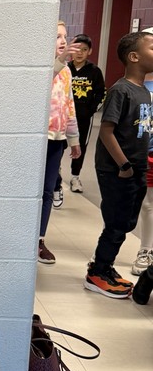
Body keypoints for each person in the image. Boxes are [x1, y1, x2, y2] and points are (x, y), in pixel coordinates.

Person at [85, 30, 153, 298]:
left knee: (125, 223)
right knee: (115, 224)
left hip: (136, 168)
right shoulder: (120, 90)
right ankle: (97, 273)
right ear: (134, 57)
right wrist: (124, 166)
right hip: (118, 170)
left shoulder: (144, 92)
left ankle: (107, 266)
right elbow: (106, 131)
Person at [38, 22, 80, 264]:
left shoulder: (66, 71)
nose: (63, 41)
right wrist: (61, 60)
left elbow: (69, 105)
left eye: (65, 36)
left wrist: (73, 138)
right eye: (57, 36)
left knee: (47, 191)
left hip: (57, 139)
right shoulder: (47, 68)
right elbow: (43, 83)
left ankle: (40, 239)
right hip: (39, 139)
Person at [67, 33, 105, 193]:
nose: (80, 52)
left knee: (80, 146)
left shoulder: (94, 71)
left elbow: (101, 93)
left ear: (89, 51)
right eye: (76, 49)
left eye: (84, 49)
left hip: (83, 118)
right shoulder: (65, 68)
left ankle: (75, 176)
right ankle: (55, 173)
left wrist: (91, 110)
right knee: (59, 144)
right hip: (64, 116)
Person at [130, 61, 153, 276]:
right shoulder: (131, 85)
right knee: (130, 202)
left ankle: (146, 249)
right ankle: (106, 251)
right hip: (135, 152)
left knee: (150, 204)